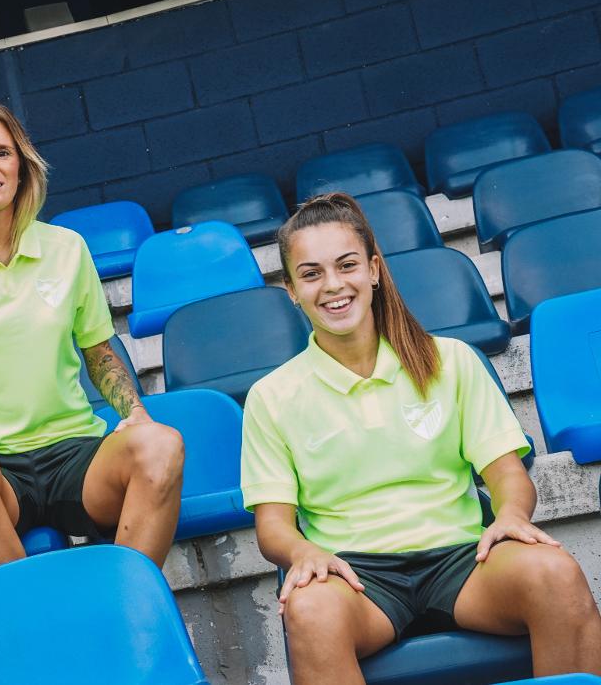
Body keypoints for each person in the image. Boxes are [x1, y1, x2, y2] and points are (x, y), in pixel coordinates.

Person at [241, 192, 601, 683]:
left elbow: (507, 475)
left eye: (347, 265)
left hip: (463, 561)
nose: (333, 286)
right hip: (356, 578)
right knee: (309, 611)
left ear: (372, 269)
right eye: (311, 274)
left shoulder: (450, 360)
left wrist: (511, 516)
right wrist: (303, 552)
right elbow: (273, 528)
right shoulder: (271, 397)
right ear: (291, 290)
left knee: (555, 573)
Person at [0, 101, 185, 574]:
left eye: (4, 153)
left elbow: (100, 353)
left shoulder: (66, 249)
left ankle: (124, 608)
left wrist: (135, 412)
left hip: (74, 455)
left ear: (21, 167)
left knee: (161, 444)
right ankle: (31, 631)